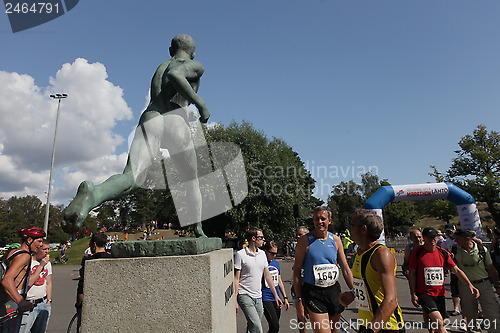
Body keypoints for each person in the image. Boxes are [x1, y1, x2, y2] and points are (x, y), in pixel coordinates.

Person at [64, 34, 210, 237]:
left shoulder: (160, 68)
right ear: (193, 52)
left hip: (151, 116)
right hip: (174, 118)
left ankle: (94, 193)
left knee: (132, 176)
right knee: (191, 179)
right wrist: (200, 104)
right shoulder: (194, 65)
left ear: (170, 50)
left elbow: (169, 81)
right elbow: (177, 75)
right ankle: (198, 228)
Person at [339, 209, 404, 333]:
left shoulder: (381, 254)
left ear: (363, 229)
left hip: (386, 326)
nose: (348, 228)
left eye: (352, 225)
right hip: (367, 324)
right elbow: (370, 284)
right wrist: (353, 293)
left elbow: (391, 300)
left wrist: (371, 330)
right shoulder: (360, 252)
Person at [293, 206, 354, 333]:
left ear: (330, 221)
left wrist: (354, 291)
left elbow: (345, 268)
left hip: (333, 291)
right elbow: (297, 270)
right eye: (316, 219)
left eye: (323, 219)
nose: (319, 222)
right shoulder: (305, 241)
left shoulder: (335, 240)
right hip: (313, 293)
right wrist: (299, 300)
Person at [408, 227, 479, 333]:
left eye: (434, 238)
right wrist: (413, 293)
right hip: (424, 292)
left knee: (436, 325)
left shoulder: (443, 253)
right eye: (429, 238)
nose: (432, 240)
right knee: (439, 322)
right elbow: (412, 273)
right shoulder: (417, 252)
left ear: (437, 238)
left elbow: (456, 270)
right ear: (424, 238)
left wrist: (470, 285)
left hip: (440, 293)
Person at [234, 227, 283, 333]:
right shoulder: (240, 254)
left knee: (252, 326)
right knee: (257, 326)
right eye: (260, 237)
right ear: (253, 238)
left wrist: (276, 295)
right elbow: (236, 278)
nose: (263, 240)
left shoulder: (262, 255)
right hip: (244, 294)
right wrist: (235, 300)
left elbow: (267, 276)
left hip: (258, 296)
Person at [452, 228, 500, 333]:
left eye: (458, 239)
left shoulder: (482, 250)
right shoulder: (455, 250)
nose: (455, 241)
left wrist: (497, 286)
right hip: (466, 286)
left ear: (467, 239)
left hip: (483, 283)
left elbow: (491, 268)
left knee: (492, 313)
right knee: (469, 314)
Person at [1, 227, 46, 333]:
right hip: (13, 300)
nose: (41, 245)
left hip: (6, 299)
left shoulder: (13, 252)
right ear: (29, 240)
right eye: (39, 241)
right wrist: (20, 302)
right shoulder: (24, 256)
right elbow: (6, 280)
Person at [75, 233, 111, 332]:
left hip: (91, 302)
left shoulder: (88, 261)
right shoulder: (111, 259)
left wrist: (78, 303)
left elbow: (82, 285)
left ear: (94, 244)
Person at [20, 239, 52, 333]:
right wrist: (41, 266)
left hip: (43, 302)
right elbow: (29, 283)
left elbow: (48, 282)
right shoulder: (28, 262)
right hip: (29, 302)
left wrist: (49, 301)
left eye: (48, 249)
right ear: (37, 249)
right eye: (44, 249)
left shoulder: (47, 263)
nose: (47, 252)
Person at [262, 241, 290, 333]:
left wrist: (285, 297)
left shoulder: (275, 263)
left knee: (274, 327)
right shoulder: (261, 263)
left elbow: (279, 281)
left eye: (276, 253)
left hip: (276, 297)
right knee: (274, 326)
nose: (274, 256)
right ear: (266, 251)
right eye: (272, 253)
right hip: (265, 297)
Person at [291, 226, 310, 333]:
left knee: (312, 313)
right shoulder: (297, 247)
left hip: (310, 285)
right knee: (300, 315)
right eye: (297, 235)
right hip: (299, 285)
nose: (298, 237)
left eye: (300, 234)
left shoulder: (310, 247)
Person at [440, 224, 461, 317]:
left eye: (450, 231)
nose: (449, 233)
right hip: (454, 268)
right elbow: (443, 252)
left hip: (465, 267)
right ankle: (456, 308)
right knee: (455, 289)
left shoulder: (461, 238)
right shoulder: (445, 242)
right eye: (447, 231)